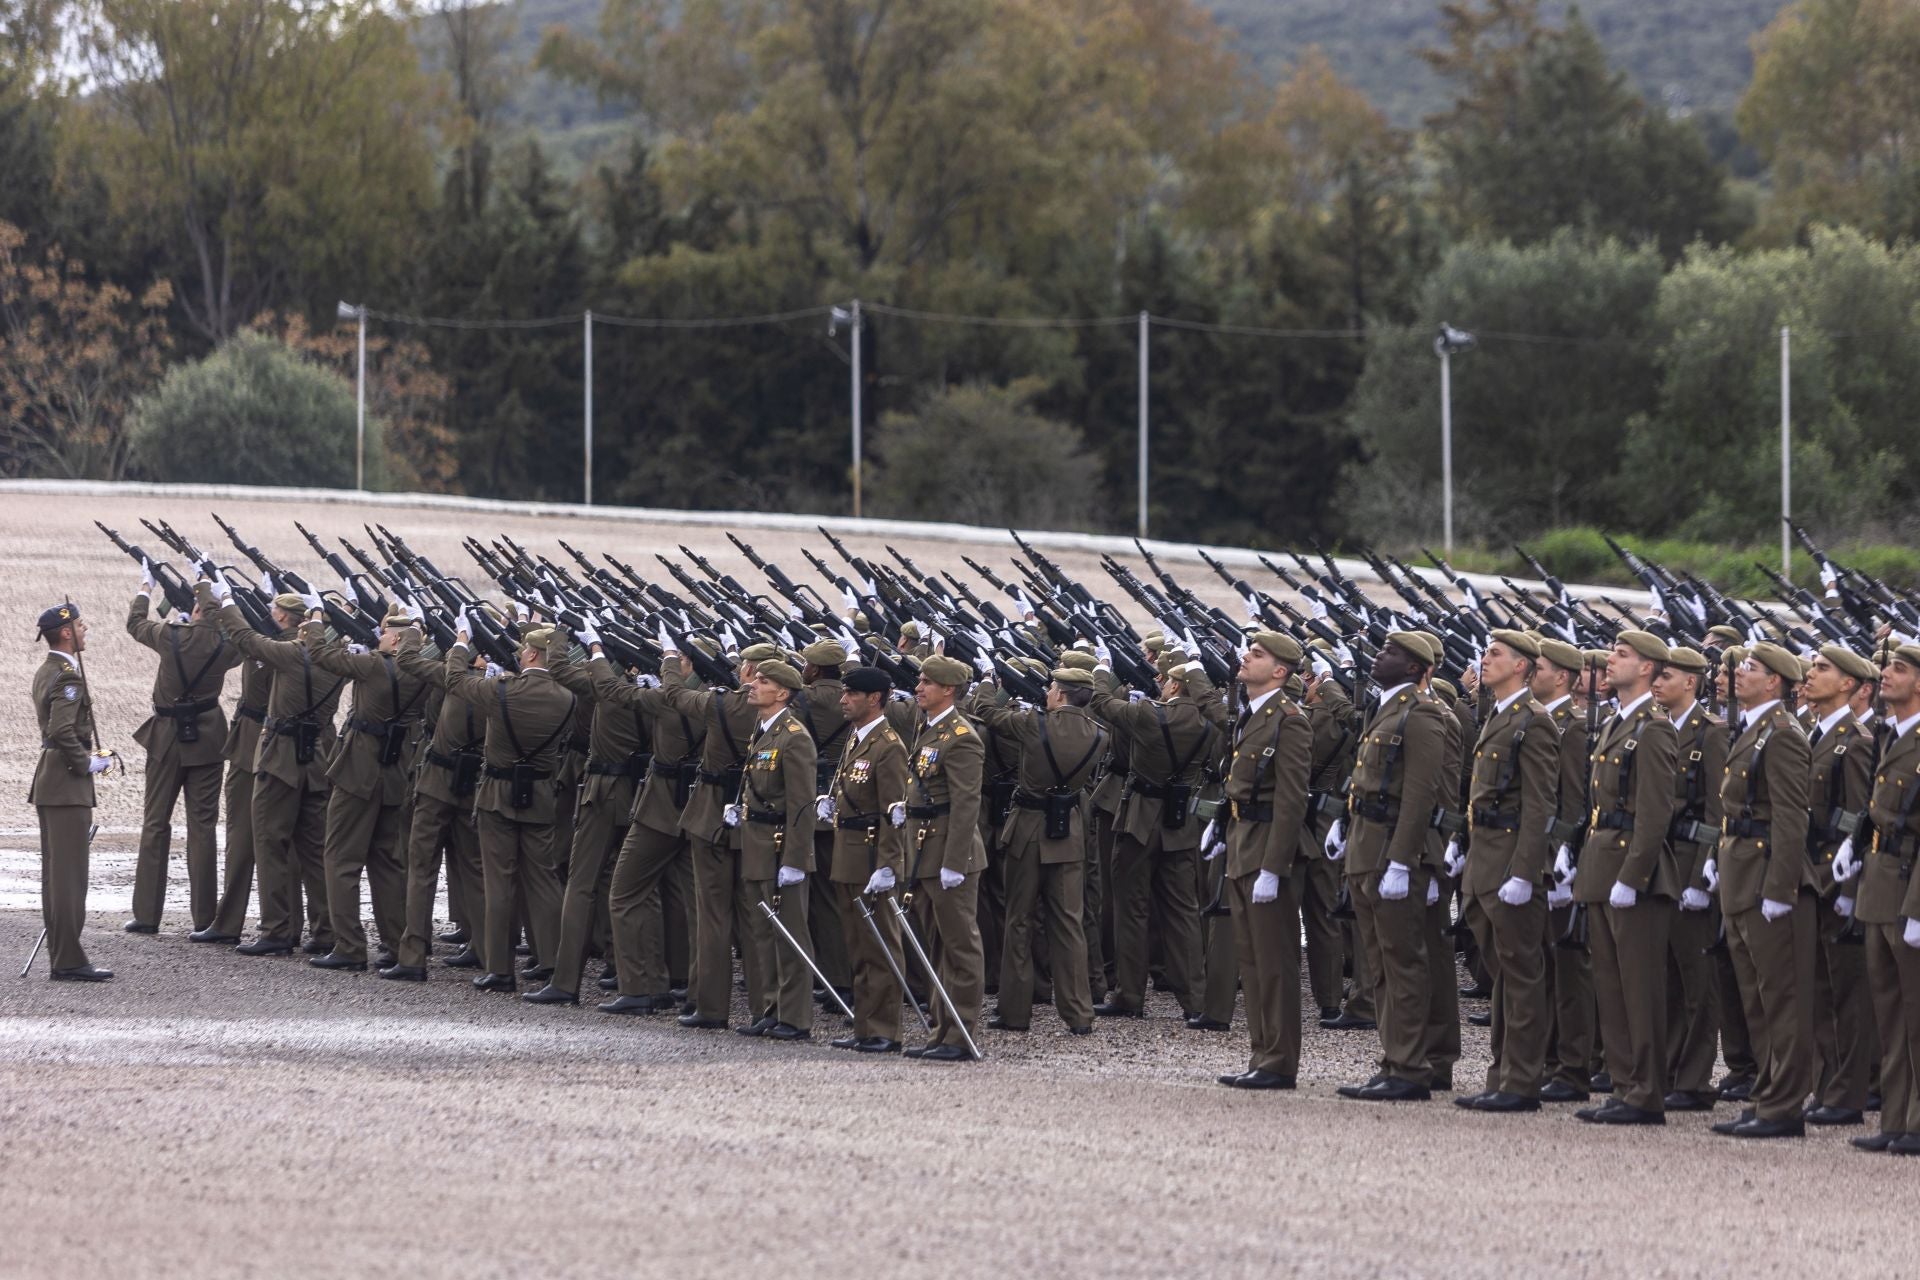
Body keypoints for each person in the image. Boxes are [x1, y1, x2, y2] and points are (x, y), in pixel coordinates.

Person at [1328, 632, 1450, 1102]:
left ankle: (1410, 1068)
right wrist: (1345, 824)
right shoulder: (1386, 708)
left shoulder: (1422, 714)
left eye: (1390, 652)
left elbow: (1421, 795)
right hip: (1367, 848)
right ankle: (1395, 1060)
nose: (1379, 656)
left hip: (1390, 854)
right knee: (1380, 966)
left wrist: (1403, 859)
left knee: (1403, 964)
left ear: (1415, 669)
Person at [200, 576, 341, 957]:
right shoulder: (336, 661)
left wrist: (225, 599)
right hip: (316, 757)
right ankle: (325, 930)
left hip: (279, 757)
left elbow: (245, 637)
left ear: (286, 619)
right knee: (313, 849)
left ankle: (276, 929)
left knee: (269, 842)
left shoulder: (288, 653)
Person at [1574, 631, 1681, 1126]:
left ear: (1645, 668)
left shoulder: (1653, 729)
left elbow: (1655, 814)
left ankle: (1646, 1092)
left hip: (1633, 873)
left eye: (1621, 655)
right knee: (1611, 986)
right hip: (1603, 865)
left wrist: (1633, 876)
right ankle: (1623, 1085)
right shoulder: (1617, 723)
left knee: (1639, 989)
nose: (1610, 660)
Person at [967, 666, 1109, 1036]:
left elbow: (986, 711)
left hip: (1028, 829)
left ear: (1060, 693)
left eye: (1051, 688)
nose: (1047, 693)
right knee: (1069, 924)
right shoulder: (1099, 735)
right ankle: (1079, 1013)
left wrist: (989, 680)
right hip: (1068, 833)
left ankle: (1015, 1011)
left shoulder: (1034, 724)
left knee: (1019, 920)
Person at [1711, 641, 1814, 1139]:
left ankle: (1783, 1105)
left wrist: (1781, 887)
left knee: (1780, 998)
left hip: (1766, 876)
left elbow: (1792, 818)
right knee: (1755, 997)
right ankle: (1766, 1094)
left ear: (1774, 681)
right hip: (1741, 875)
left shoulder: (1783, 734)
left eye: (1749, 668)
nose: (1738, 674)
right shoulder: (1755, 728)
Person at [444, 615, 578, 991]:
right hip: (540, 795)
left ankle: (500, 969)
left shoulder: (503, 691)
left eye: (523, 650)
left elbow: (454, 680)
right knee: (543, 881)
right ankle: (552, 961)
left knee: (499, 882)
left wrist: (461, 641)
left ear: (532, 654)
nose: (519, 654)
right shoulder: (567, 698)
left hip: (498, 794)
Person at [1455, 630, 1559, 1113]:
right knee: (1503, 977)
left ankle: (1521, 1082)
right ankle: (1502, 1074)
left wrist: (1525, 871)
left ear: (1521, 666)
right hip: (1485, 863)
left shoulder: (1533, 722)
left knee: (1521, 976)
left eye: (1495, 654)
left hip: (1510, 866)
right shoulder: (1499, 716)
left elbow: (1540, 806)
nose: (1485, 659)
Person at [1086, 651, 1222, 1021]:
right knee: (1182, 911)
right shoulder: (1209, 725)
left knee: (1132, 908)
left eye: (1166, 680)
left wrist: (1102, 667)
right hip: (1179, 822)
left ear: (1175, 685)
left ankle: (1130, 995)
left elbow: (1101, 702)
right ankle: (1195, 1000)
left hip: (1139, 820)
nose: (1161, 684)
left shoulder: (1149, 714)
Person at [526, 630, 653, 1006]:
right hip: (638, 793)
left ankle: (566, 981)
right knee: (634, 888)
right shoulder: (651, 693)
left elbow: (560, 668)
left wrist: (562, 631)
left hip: (602, 794)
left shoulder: (608, 689)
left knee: (581, 886)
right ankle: (644, 980)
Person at [301, 609, 429, 972]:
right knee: (387, 864)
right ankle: (396, 944)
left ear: (396, 640)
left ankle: (350, 946)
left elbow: (320, 654)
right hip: (395, 772)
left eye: (386, 633)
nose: (380, 636)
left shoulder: (372, 665)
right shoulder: (421, 673)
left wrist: (316, 619)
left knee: (340, 859)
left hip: (358, 771)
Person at [1211, 632, 1313, 1089]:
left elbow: (1291, 801)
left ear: (1279, 671)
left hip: (1268, 850)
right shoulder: (1252, 714)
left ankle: (1279, 1061)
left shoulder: (1289, 721)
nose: (1245, 658)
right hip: (1243, 843)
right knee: (1251, 961)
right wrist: (1222, 826)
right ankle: (1262, 1053)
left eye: (1256, 655)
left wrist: (1274, 867)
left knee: (1275, 963)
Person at [1836, 642, 1920, 1155]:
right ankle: (1896, 1119)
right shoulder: (1893, 735)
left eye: (1899, 669)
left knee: (1916, 1014)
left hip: (1909, 892)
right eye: (1888, 666)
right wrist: (1854, 847)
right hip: (1881, 887)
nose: (1886, 674)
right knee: (1889, 1013)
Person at [125, 565, 241, 936]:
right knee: (202, 828)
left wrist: (146, 587)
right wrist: (219, 597)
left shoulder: (170, 635)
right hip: (208, 739)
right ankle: (204, 917)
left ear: (196, 610)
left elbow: (135, 623)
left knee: (155, 823)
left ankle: (147, 915)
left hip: (166, 737)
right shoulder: (226, 646)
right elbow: (245, 636)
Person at [1800, 644, 1878, 1125]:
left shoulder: (1856, 741)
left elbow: (1858, 820)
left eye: (1822, 669)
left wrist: (1847, 889)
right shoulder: (1813, 735)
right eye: (1811, 667)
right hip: (1811, 876)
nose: (1811, 675)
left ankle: (1848, 1093)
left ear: (1848, 684)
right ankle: (1827, 1085)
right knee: (1820, 989)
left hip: (1835, 877)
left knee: (1847, 992)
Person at [1650, 646, 1729, 1111]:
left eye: (1667, 676)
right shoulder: (1660, 728)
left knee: (1698, 980)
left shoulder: (1710, 733)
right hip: (1663, 861)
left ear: (1690, 683)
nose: (1658, 683)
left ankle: (1696, 1078)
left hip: (1691, 862)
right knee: (1668, 977)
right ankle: (1669, 1068)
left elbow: (1718, 812)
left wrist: (1703, 877)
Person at [902, 654, 988, 1061]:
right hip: (926, 852)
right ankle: (941, 1028)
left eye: (927, 682)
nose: (918, 688)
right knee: (937, 946)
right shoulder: (931, 728)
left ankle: (960, 1034)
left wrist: (954, 862)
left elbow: (966, 804)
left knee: (959, 946)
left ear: (948, 690)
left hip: (949, 856)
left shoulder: (961, 736)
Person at [824, 665, 912, 1052]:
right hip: (849, 853)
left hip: (872, 855)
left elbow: (895, 812)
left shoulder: (888, 745)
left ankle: (885, 1030)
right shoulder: (857, 738)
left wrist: (889, 864)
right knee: (858, 946)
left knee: (879, 945)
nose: (843, 700)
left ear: (874, 699)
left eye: (852, 694)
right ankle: (865, 1025)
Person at [730, 658, 819, 1039]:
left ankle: (795, 1018)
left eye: (763, 681)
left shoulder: (794, 736)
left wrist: (796, 859)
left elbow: (802, 804)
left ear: (782, 693)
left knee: (790, 933)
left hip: (782, 847)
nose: (753, 684)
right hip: (759, 843)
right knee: (763, 932)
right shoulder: (765, 729)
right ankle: (771, 1008)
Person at [31, 602, 113, 982]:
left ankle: (63, 955)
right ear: (66, 633)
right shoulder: (68, 677)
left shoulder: (47, 670)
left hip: (51, 780)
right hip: (66, 784)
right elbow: (62, 730)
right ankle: (67, 960)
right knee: (69, 878)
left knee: (56, 876)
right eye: (80, 625)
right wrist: (87, 763)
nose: (85, 629)